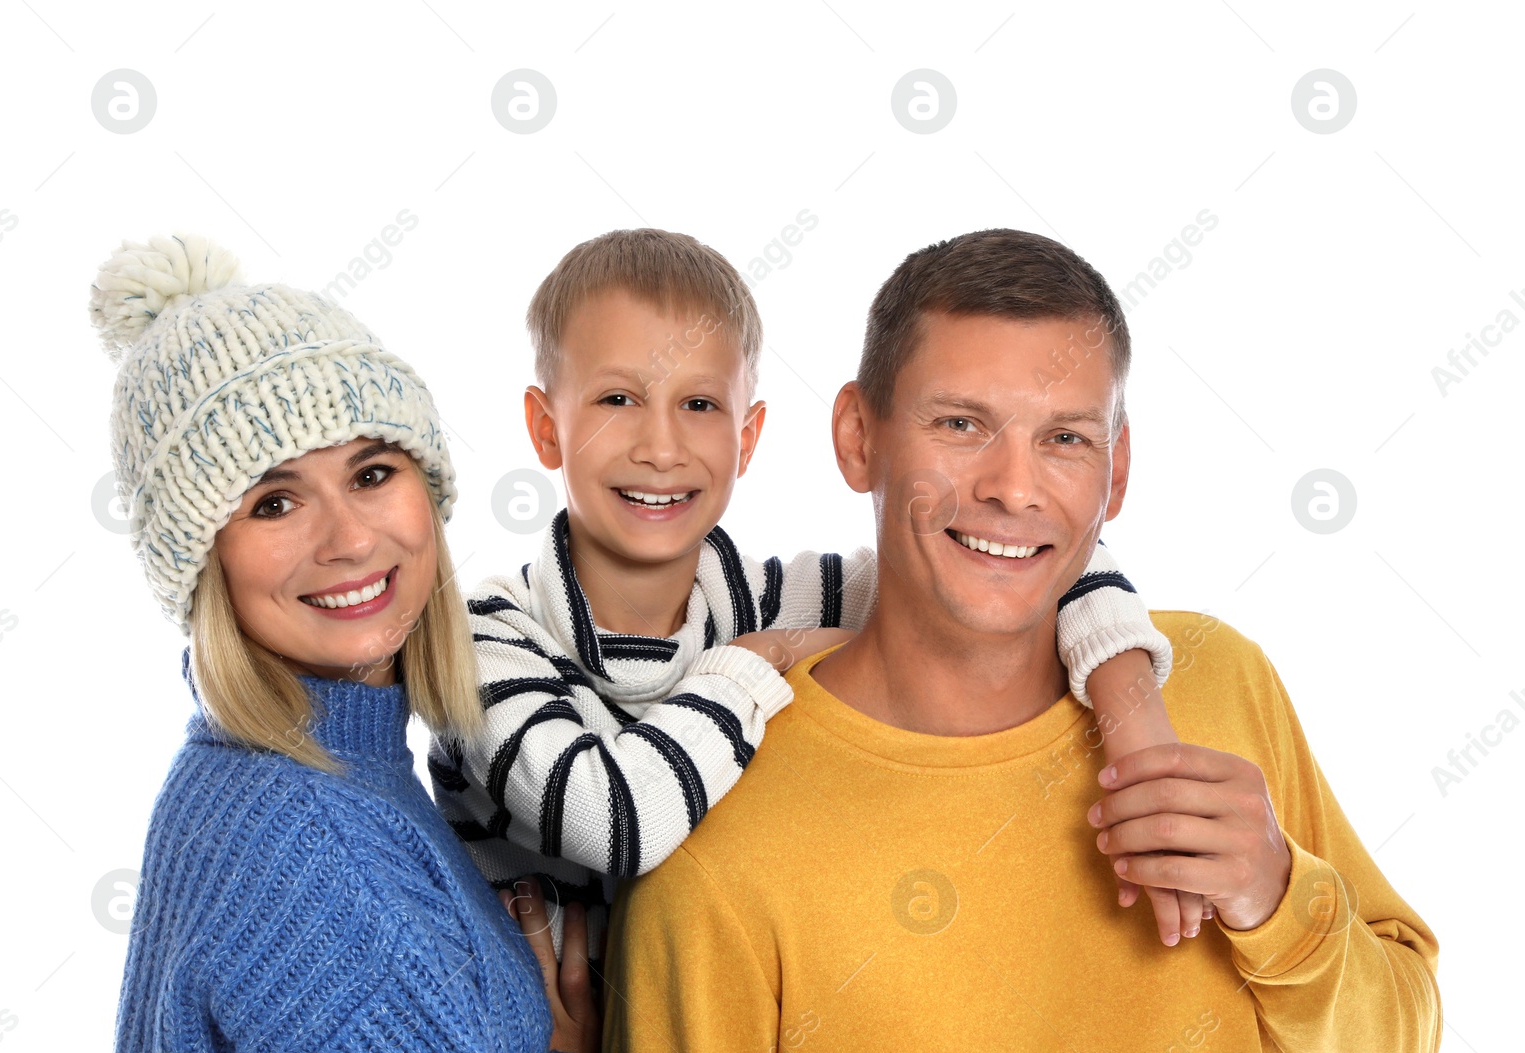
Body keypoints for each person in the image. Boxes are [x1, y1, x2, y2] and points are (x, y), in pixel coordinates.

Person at [591, 229, 1442, 1053]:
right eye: (958, 424)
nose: (1011, 486)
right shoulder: (722, 833)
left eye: (1064, 439)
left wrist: (1275, 891)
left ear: (1118, 469)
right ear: (856, 435)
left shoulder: (1213, 690)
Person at [90, 234, 646, 1053]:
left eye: (375, 471)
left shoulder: (320, 776)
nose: (348, 538)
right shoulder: (295, 843)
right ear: (203, 561)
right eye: (275, 500)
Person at [430, 228, 1212, 958]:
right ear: (544, 428)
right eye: (616, 400)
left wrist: (1135, 722)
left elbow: (1027, 566)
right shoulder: (484, 644)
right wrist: (756, 661)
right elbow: (617, 823)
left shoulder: (767, 595)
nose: (660, 447)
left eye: (699, 405)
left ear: (747, 437)